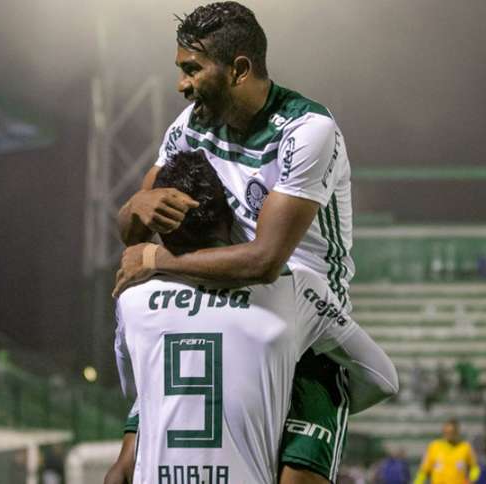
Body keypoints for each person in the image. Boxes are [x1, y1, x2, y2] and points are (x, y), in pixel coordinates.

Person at [114, 2, 360, 482]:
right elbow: (132, 236)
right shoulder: (188, 127)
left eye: (192, 69)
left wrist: (156, 259)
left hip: (304, 327)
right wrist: (133, 209)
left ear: (239, 69)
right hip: (217, 300)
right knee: (131, 464)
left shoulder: (307, 131)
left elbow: (267, 260)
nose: (181, 84)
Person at [107, 151, 397, 484]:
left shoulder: (132, 298)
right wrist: (292, 403)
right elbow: (382, 379)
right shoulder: (295, 288)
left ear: (160, 230)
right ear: (230, 219)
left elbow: (137, 392)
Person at [414, 419, 480, 484]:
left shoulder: (465, 447)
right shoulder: (434, 447)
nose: (449, 435)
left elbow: (475, 468)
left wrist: (472, 479)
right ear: (443, 432)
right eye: (447, 432)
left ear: (457, 432)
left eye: (452, 432)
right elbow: (423, 471)